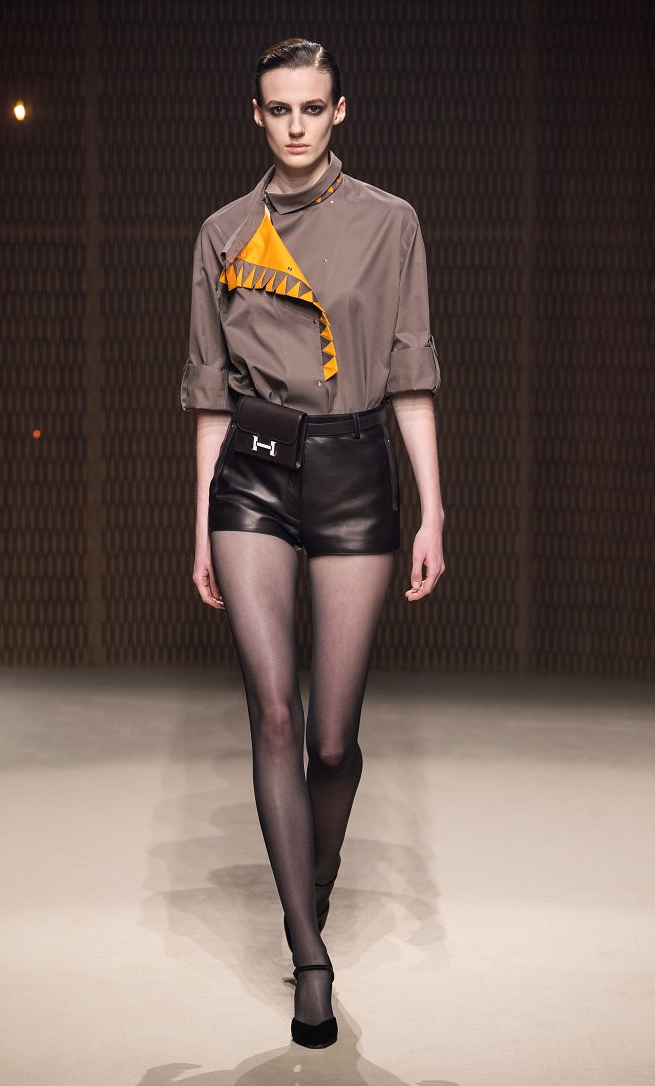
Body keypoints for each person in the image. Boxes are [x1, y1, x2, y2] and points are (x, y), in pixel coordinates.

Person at [180, 37, 445, 1049]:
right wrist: (200, 521)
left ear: (340, 112)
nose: (295, 125)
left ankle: (316, 874)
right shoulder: (222, 233)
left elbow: (410, 372)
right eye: (278, 109)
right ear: (256, 115)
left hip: (352, 470)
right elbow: (212, 394)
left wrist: (433, 509)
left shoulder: (390, 222)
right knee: (275, 716)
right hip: (250, 474)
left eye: (312, 108)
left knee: (332, 741)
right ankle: (309, 954)